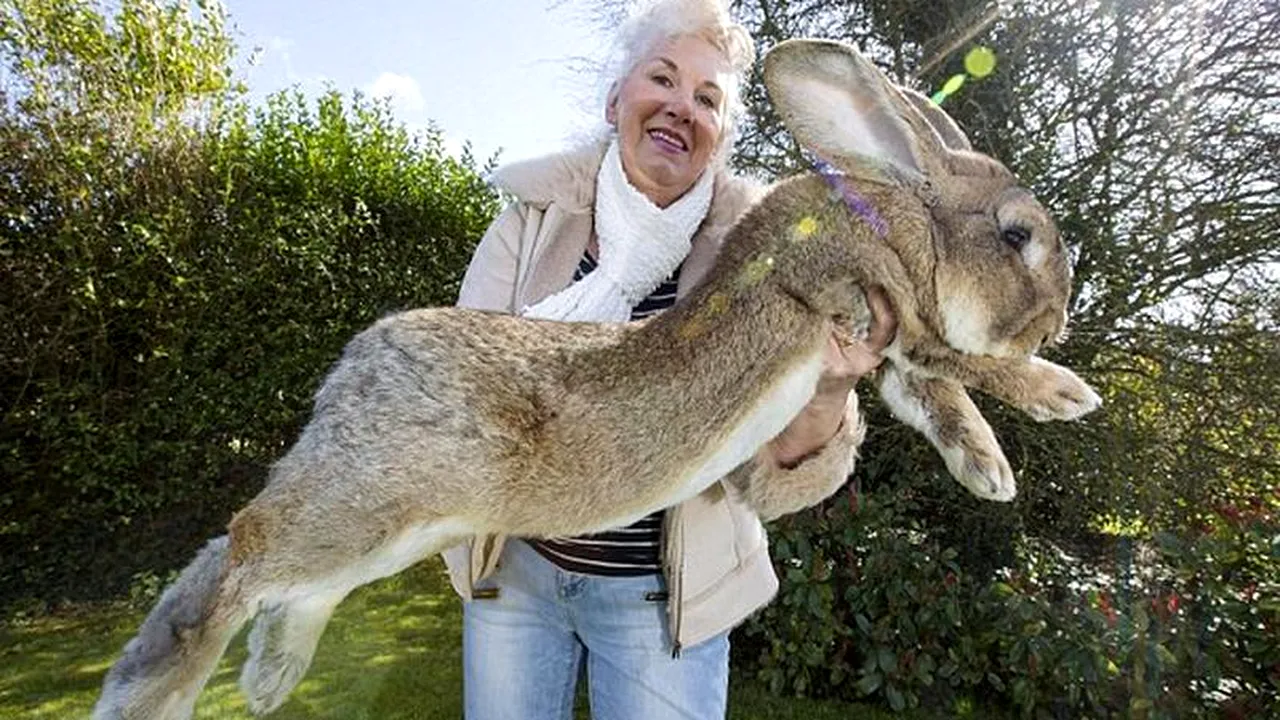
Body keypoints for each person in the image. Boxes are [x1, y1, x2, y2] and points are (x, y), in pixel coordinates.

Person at [442, 1, 897, 717]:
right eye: (663, 79)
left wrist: (828, 390)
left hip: (662, 603)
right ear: (615, 98)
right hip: (520, 579)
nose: (682, 107)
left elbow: (775, 472)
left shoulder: (764, 257)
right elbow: (460, 391)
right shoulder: (531, 220)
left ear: (719, 137)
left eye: (708, 99)